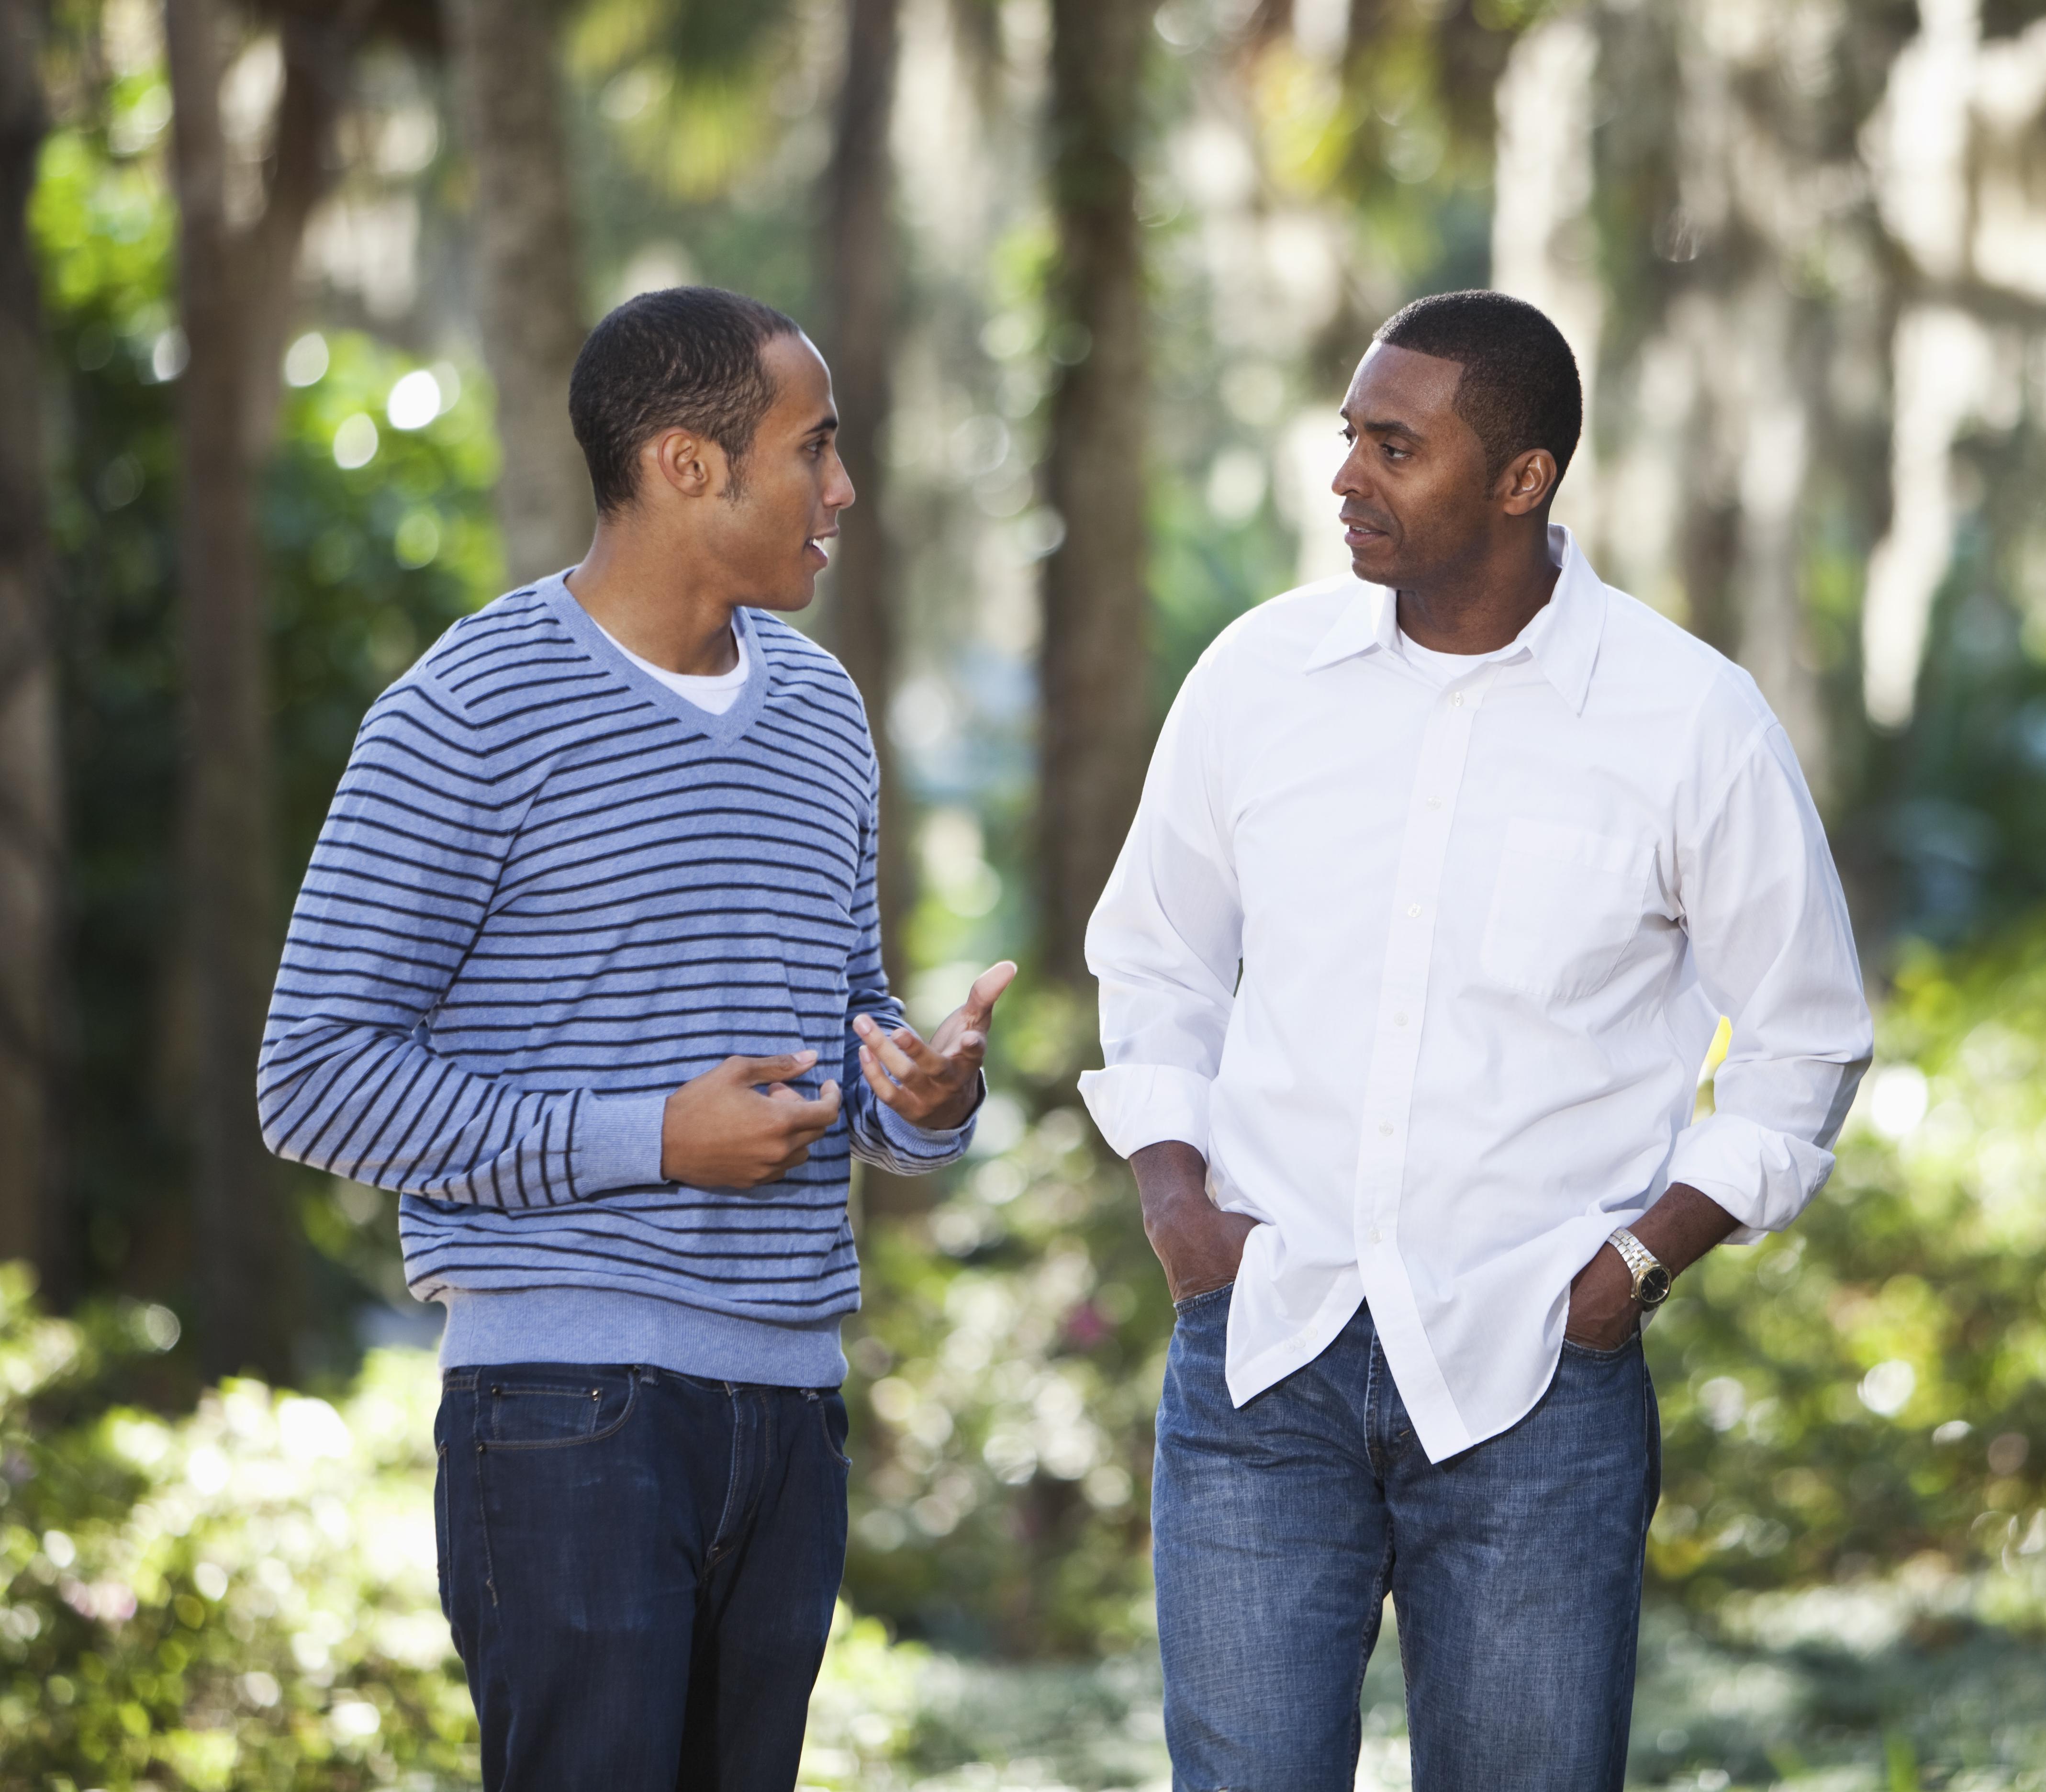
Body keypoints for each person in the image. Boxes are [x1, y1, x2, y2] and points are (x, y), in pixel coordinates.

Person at [1081, 289, 1873, 1789]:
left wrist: (1634, 1266)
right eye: (1349, 437)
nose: (1347, 479)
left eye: (1397, 446)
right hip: (1264, 1357)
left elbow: (1806, 1048)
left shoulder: (1690, 720)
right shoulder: (1257, 680)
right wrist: (1176, 1199)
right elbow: (1159, 957)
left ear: (1524, 479)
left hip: (1538, 1381)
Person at [257, 285, 1011, 1791]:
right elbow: (314, 1077)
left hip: (792, 1404)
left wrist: (920, 1092)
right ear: (685, 465)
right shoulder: (466, 710)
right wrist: (651, 1139)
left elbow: (837, 1023)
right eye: (815, 450)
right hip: (566, 1413)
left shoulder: (821, 710)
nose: (843, 489)